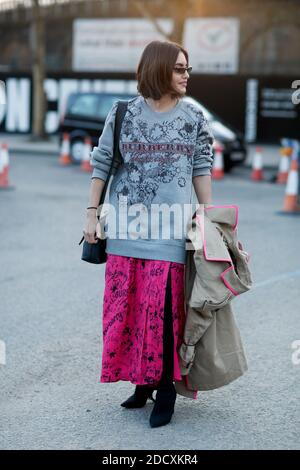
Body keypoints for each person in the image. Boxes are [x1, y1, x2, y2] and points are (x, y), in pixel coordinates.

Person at [83, 40, 214, 428]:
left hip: (170, 232)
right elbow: (101, 163)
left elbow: (201, 167)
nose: (186, 74)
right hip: (124, 229)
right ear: (158, 69)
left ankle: (166, 390)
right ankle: (143, 383)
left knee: (162, 314)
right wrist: (92, 215)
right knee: (126, 312)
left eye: (188, 68)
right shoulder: (122, 112)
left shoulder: (193, 118)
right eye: (179, 68)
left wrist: (206, 217)